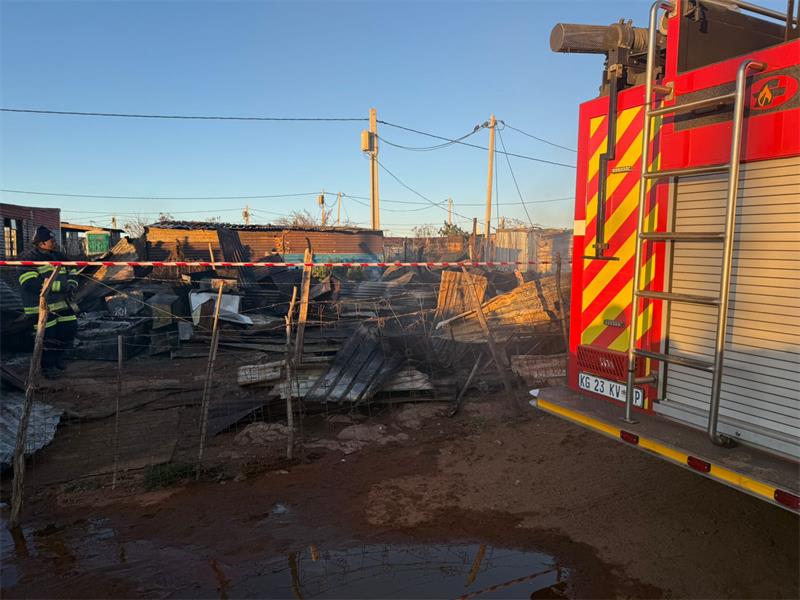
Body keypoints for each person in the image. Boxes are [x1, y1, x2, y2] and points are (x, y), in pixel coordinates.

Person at [18, 225, 80, 375]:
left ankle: (58, 358)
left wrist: (72, 284)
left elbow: (74, 270)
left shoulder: (59, 256)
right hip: (40, 307)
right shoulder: (29, 258)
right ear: (41, 243)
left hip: (61, 304)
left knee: (69, 329)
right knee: (48, 337)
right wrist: (61, 287)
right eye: (51, 240)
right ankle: (47, 367)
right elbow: (29, 284)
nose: (55, 242)